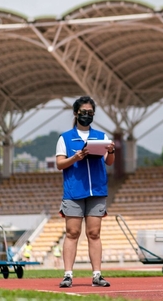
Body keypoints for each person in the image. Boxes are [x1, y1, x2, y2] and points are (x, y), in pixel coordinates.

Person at [56, 96, 116, 289]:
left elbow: (109, 161)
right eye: (83, 112)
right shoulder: (65, 138)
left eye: (90, 113)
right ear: (76, 113)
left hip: (97, 190)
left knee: (94, 233)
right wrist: (76, 157)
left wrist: (112, 151)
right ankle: (67, 275)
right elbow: (59, 164)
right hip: (74, 191)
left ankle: (97, 275)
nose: (86, 115)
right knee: (72, 232)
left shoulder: (101, 136)